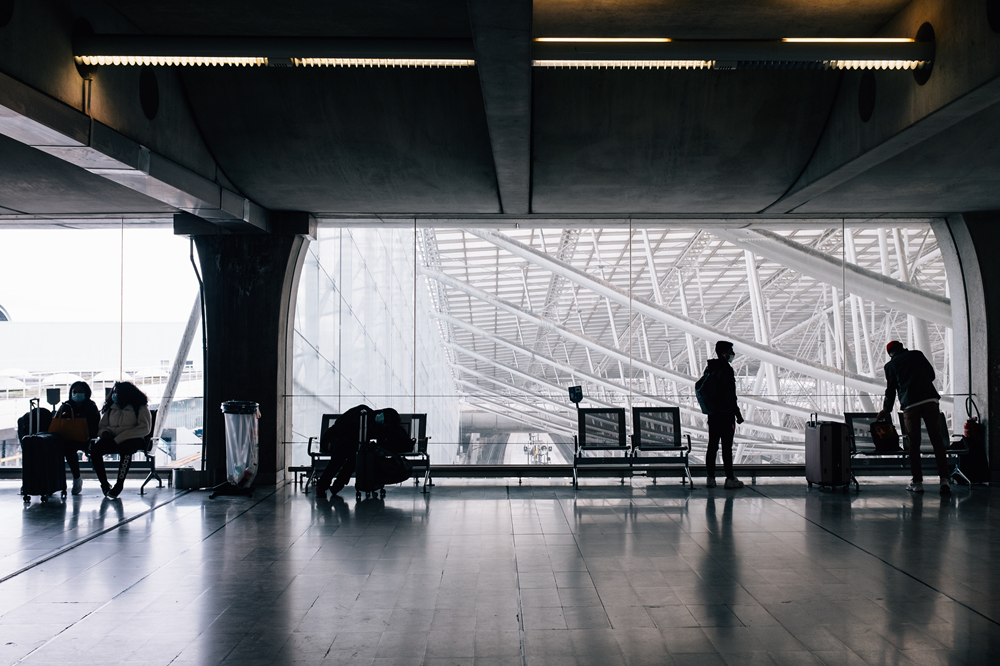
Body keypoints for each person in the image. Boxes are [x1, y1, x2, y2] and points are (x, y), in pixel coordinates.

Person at [877, 340, 951, 495]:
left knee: (913, 443)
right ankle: (944, 480)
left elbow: (890, 390)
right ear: (902, 347)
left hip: (910, 404)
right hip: (930, 400)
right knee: (937, 440)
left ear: (890, 353)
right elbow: (931, 375)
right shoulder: (917, 355)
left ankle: (917, 482)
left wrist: (886, 410)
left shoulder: (890, 366)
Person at [315, 405, 410, 499]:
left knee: (357, 455)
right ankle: (323, 485)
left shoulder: (377, 428)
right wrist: (350, 438)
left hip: (350, 446)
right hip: (331, 440)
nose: (383, 424)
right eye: (385, 422)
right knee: (344, 449)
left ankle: (337, 484)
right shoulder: (361, 411)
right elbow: (340, 424)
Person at [88, 381, 152, 499]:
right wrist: (104, 433)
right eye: (114, 392)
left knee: (126, 449)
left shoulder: (140, 407)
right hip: (112, 438)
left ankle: (119, 483)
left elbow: (144, 428)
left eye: (118, 392)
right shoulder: (111, 408)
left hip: (132, 439)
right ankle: (104, 483)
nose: (115, 395)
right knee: (95, 450)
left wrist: (120, 437)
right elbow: (102, 426)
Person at [697, 340, 745, 489]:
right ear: (724, 353)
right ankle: (730, 478)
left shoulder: (710, 368)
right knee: (726, 448)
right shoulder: (726, 370)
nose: (733, 354)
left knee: (712, 446)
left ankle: (710, 478)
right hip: (726, 415)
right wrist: (737, 414)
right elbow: (730, 395)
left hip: (713, 414)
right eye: (731, 351)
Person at [52, 381, 101, 495]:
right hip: (70, 438)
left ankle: (103, 483)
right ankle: (76, 477)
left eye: (80, 392)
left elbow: (96, 425)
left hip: (87, 438)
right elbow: (56, 420)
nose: (77, 394)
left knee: (94, 451)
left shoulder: (91, 406)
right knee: (68, 449)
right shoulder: (66, 405)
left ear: (86, 393)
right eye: (74, 392)